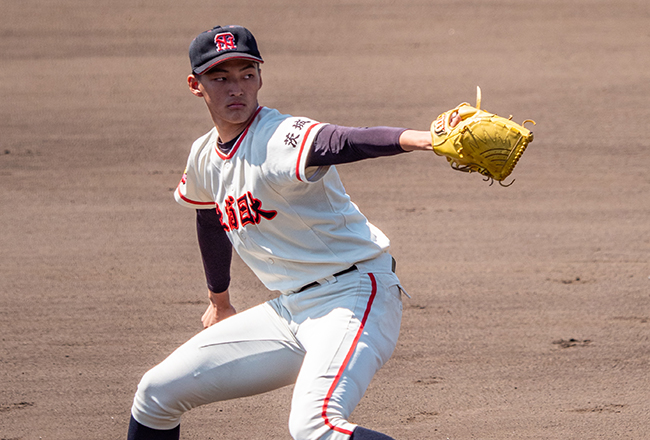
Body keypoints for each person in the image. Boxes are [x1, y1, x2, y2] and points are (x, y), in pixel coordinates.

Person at [127, 25, 458, 440]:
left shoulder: (279, 134)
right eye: (221, 78)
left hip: (354, 296)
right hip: (290, 311)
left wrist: (422, 139)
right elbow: (210, 217)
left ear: (261, 78)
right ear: (196, 85)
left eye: (247, 75)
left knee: (315, 426)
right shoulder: (203, 155)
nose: (237, 88)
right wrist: (219, 300)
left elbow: (343, 141)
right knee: (156, 393)